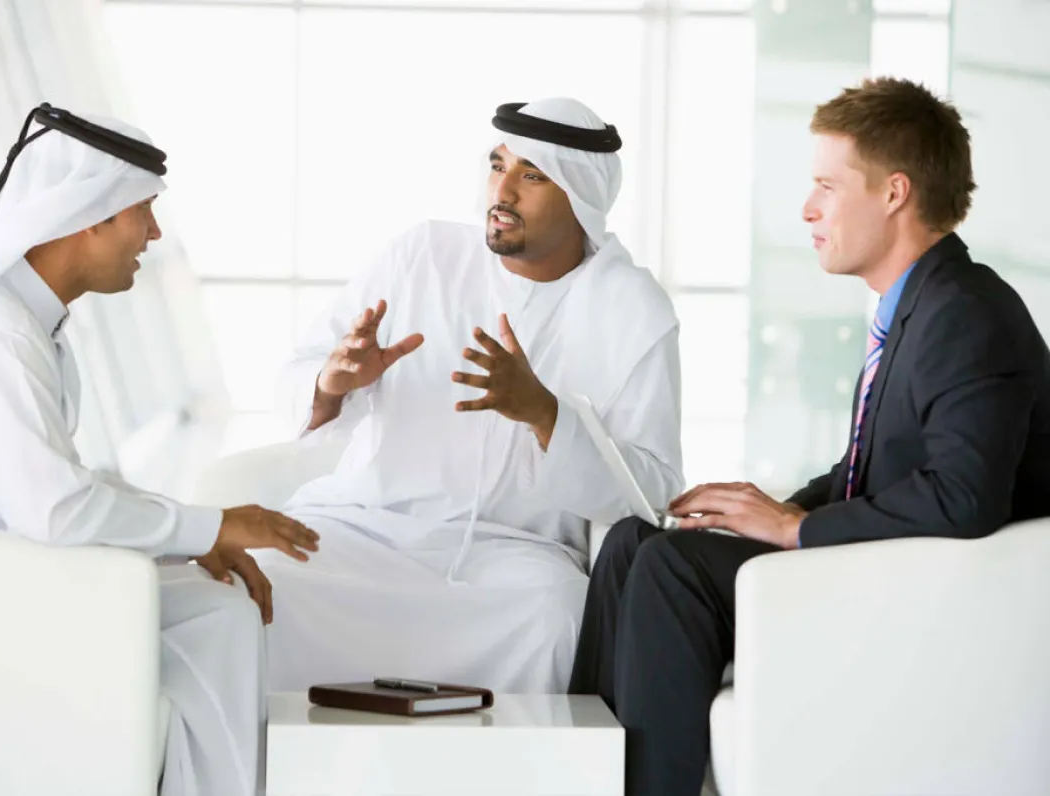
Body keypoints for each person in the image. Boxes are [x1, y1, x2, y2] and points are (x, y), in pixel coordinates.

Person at [569, 76, 1050, 795]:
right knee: (632, 544)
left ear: (894, 193)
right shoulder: (920, 305)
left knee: (674, 569)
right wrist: (767, 508)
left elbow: (962, 496)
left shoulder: (968, 311)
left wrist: (793, 529)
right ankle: (583, 776)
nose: (807, 209)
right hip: (885, 567)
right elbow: (871, 467)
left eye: (827, 185)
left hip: (924, 601)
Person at [0, 105, 319, 796]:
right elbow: (57, 510)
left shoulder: (16, 323)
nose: (154, 234)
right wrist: (210, 526)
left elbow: (54, 489)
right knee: (219, 617)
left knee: (213, 606)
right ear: (90, 215)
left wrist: (191, 539)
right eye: (143, 211)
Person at [262, 97, 684, 694]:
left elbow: (655, 491)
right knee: (264, 579)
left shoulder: (632, 310)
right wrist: (332, 384)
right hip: (364, 527)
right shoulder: (424, 255)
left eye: (532, 176)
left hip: (513, 553)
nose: (501, 191)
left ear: (582, 199)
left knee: (556, 616)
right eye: (497, 166)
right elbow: (297, 372)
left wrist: (545, 414)